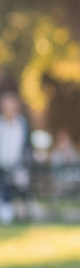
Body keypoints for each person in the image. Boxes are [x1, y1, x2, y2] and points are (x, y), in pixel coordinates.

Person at [0, 92, 31, 225]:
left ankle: (22, 214)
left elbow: (26, 144)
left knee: (21, 189)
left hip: (17, 164)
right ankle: (5, 215)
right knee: (5, 190)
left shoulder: (21, 123)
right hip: (2, 164)